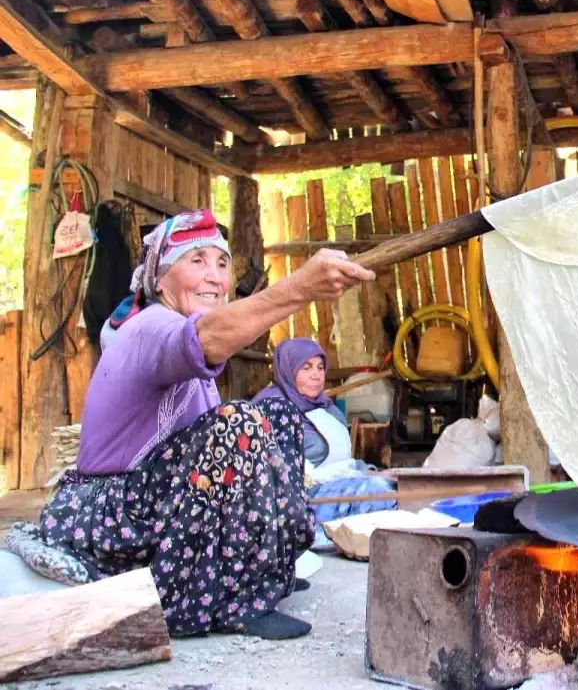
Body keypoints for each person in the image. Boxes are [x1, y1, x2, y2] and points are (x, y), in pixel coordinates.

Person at [26, 210, 374, 641]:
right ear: (159, 280)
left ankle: (263, 574)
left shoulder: (171, 327)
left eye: (222, 264)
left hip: (153, 507)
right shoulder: (151, 327)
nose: (215, 277)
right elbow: (205, 338)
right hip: (111, 515)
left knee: (278, 418)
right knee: (238, 424)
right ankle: (229, 600)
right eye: (196, 261)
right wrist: (300, 288)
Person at [252, 338, 397, 550]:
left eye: (320, 367)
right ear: (287, 369)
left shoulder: (325, 407)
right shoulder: (271, 409)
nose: (316, 374)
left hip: (334, 488)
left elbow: (342, 461)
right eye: (306, 367)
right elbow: (278, 476)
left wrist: (367, 471)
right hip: (297, 501)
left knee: (389, 487)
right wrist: (361, 479)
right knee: (378, 493)